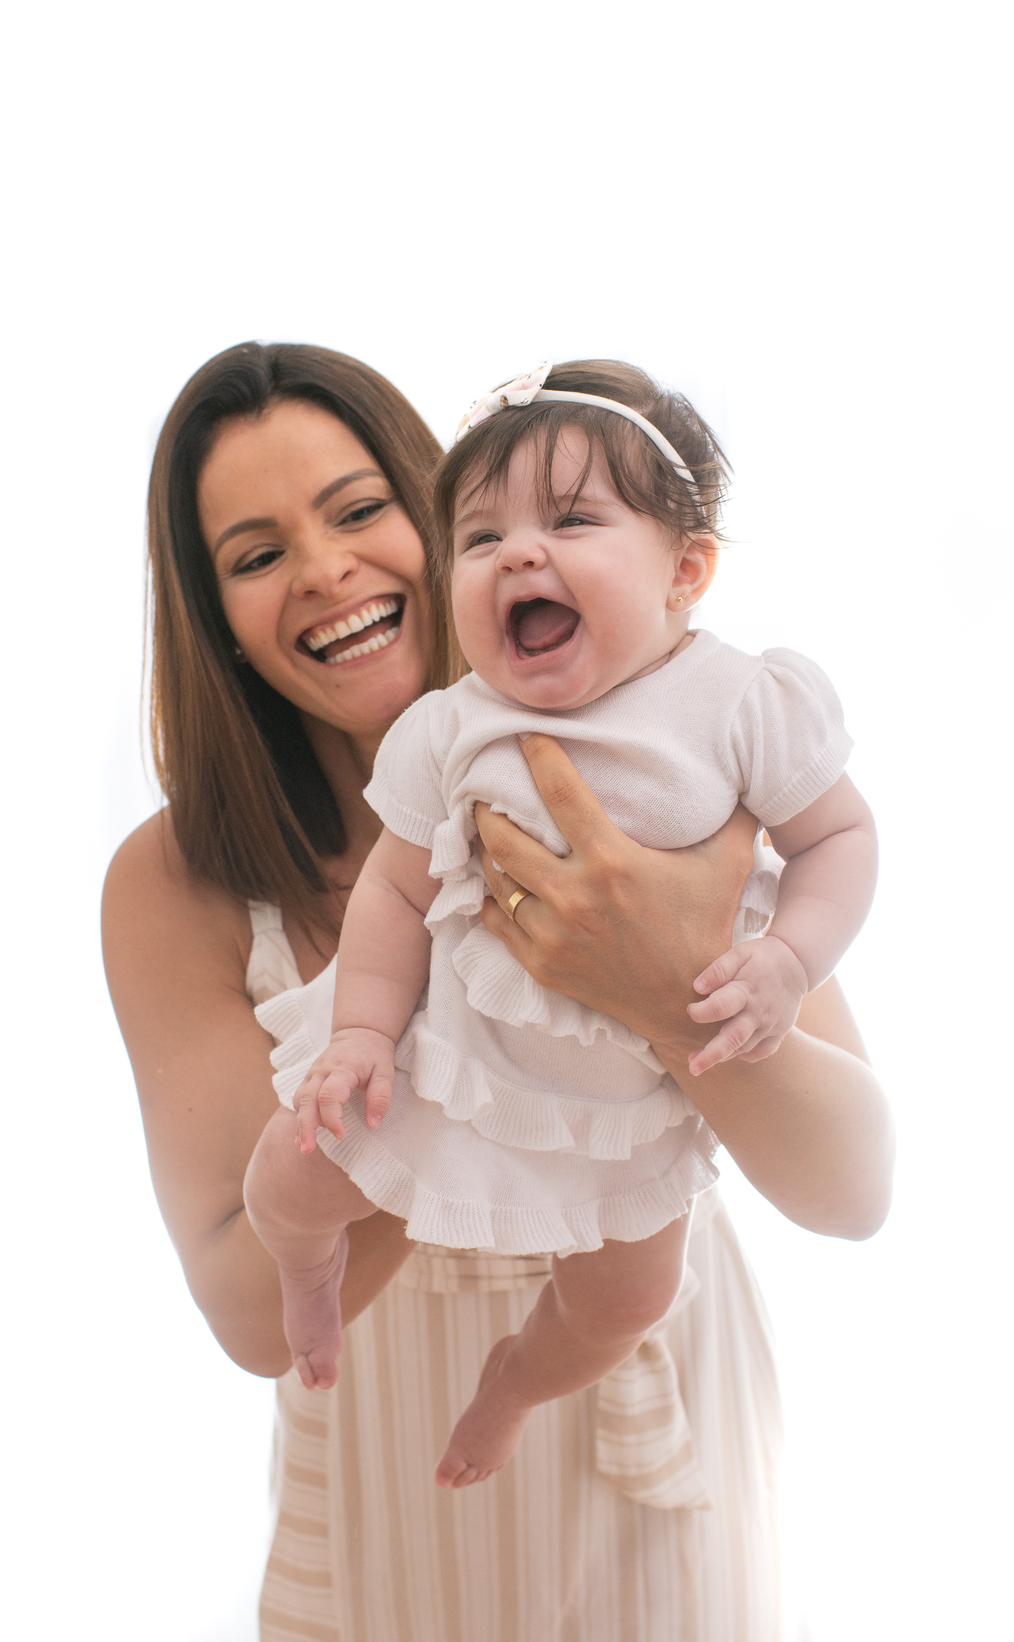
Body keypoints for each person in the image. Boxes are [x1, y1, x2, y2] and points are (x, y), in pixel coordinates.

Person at [102, 341, 895, 1642]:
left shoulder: (679, 755)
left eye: (359, 509)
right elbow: (249, 1317)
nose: (323, 570)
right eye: (255, 555)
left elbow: (854, 1192)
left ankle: (528, 1378)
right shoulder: (183, 878)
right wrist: (441, 1064)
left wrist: (656, 987)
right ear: (217, 621)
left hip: (659, 1416)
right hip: (390, 1466)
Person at [241, 359, 878, 1490]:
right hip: (450, 1059)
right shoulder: (451, 727)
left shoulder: (741, 705)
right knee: (285, 1179)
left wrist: (788, 959)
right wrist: (362, 1036)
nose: (519, 554)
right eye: (481, 537)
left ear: (687, 570)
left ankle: (517, 1382)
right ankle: (307, 1273)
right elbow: (393, 894)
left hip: (629, 1100)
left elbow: (840, 839)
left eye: (573, 520)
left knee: (625, 1300)